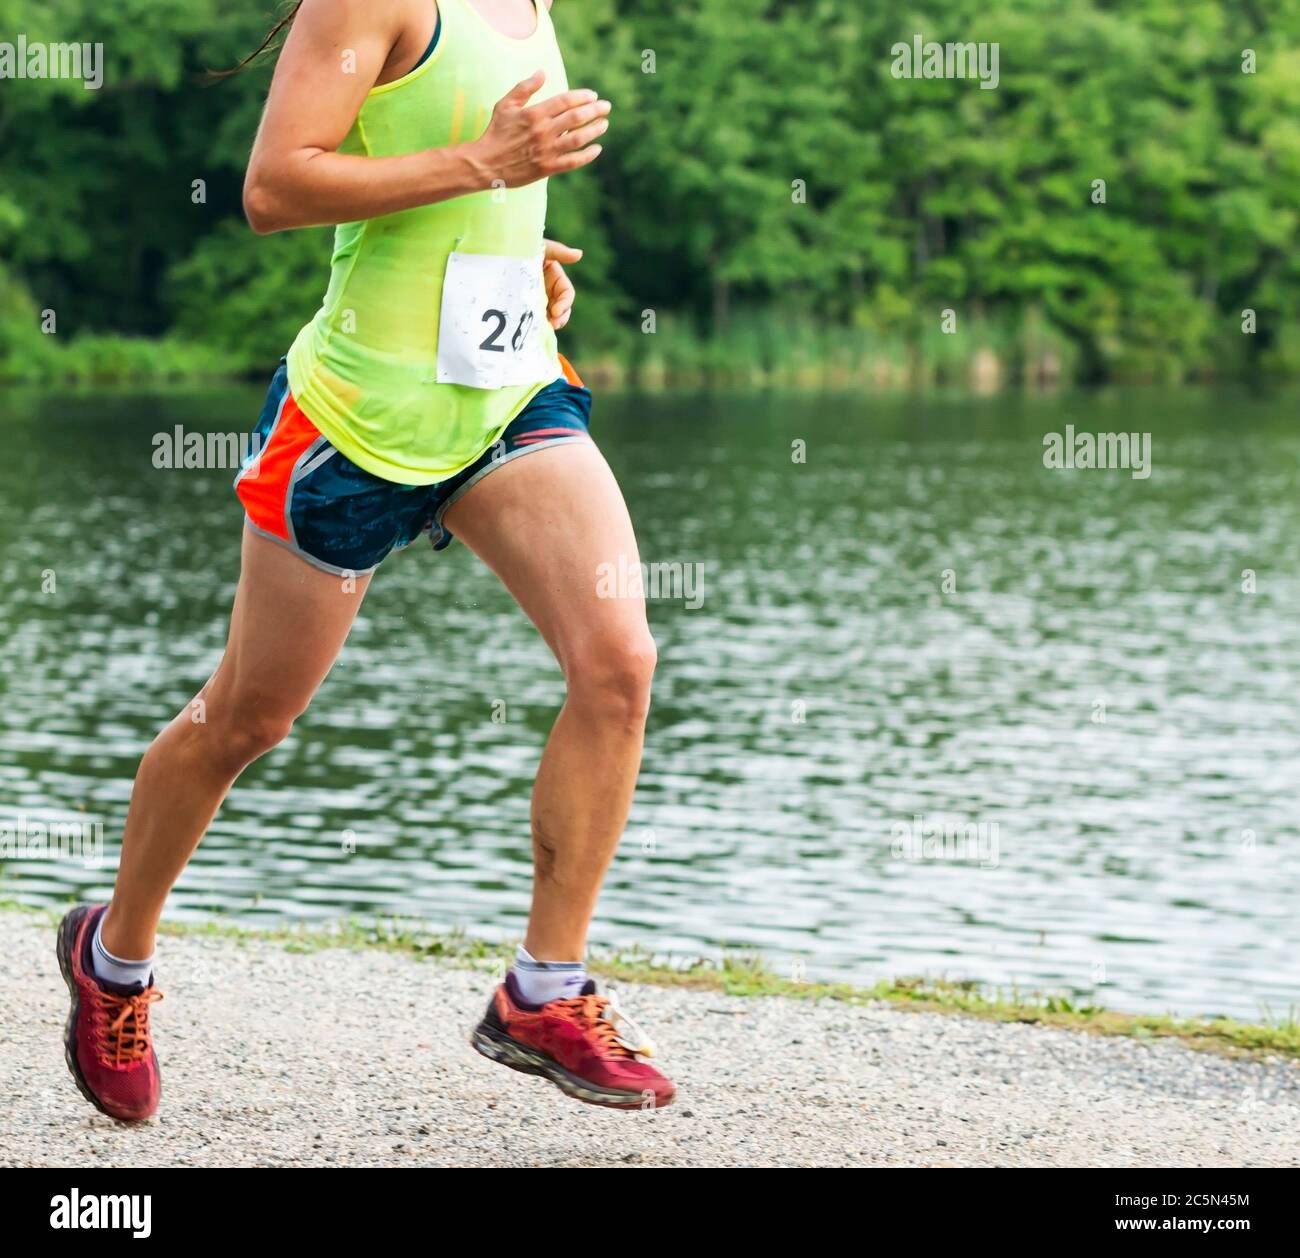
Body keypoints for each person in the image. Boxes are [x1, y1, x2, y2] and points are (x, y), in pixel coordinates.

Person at [57, 0, 675, 1122]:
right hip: (353, 425)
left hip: (504, 398)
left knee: (618, 658)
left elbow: (449, 170)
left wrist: (507, 243)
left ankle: (544, 989)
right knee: (246, 718)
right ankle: (114, 959)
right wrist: (481, 164)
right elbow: (278, 186)